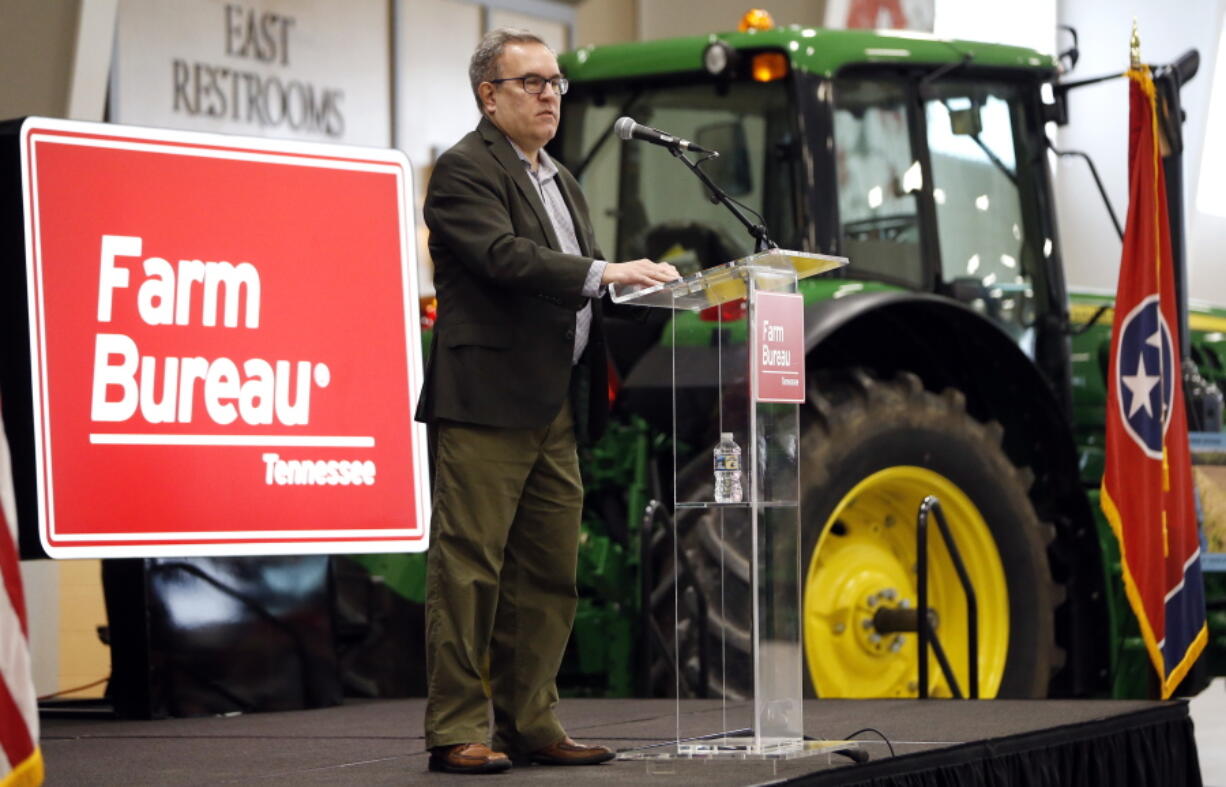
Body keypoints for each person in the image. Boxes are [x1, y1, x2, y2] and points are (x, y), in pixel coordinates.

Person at [416, 28, 679, 775]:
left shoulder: (561, 181)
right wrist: (604, 271)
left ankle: (532, 721)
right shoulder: (465, 170)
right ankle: (457, 727)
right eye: (531, 82)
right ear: (488, 96)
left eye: (555, 83)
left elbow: (580, 291)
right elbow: (506, 258)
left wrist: (652, 292)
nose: (548, 95)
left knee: (550, 573)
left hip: (555, 403)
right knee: (470, 570)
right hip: (487, 401)